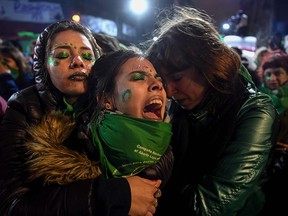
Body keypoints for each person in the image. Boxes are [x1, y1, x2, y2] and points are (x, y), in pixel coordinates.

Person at [0, 20, 161, 216]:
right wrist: (105, 195)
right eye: (62, 55)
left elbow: (158, 155)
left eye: (87, 55)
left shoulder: (116, 98)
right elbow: (11, 204)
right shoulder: (24, 106)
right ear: (43, 65)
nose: (78, 62)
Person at [146, 6, 278, 215]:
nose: (169, 91)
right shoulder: (181, 107)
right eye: (164, 82)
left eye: (177, 78)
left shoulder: (255, 111)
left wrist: (145, 193)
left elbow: (212, 206)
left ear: (208, 65)